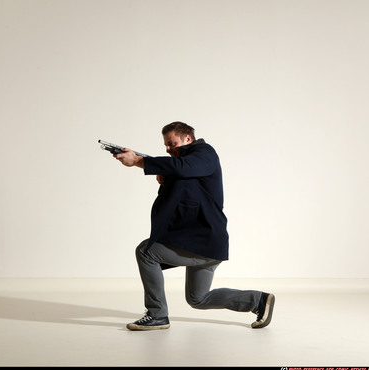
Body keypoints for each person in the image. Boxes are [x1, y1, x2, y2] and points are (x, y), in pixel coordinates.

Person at [114, 121, 275, 330]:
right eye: (166, 145)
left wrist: (138, 161)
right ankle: (259, 301)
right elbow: (183, 177)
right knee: (198, 299)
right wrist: (164, 176)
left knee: (146, 252)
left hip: (204, 242)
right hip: (202, 242)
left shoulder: (205, 152)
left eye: (172, 143)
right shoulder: (189, 164)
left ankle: (157, 314)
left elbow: (183, 167)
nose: (168, 149)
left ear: (188, 139)